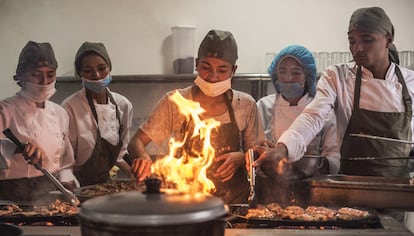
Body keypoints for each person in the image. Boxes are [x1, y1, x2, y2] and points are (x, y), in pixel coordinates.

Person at [251, 7, 414, 230]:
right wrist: (283, 149)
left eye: (367, 40)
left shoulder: (410, 83)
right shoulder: (337, 76)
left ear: (389, 38)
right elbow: (313, 116)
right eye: (352, 41)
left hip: (395, 197)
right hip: (350, 195)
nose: (357, 48)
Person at [128, 29, 265, 204]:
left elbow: (258, 156)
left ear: (234, 70)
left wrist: (240, 158)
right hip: (186, 202)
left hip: (232, 205)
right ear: (196, 63)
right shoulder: (175, 101)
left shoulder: (245, 104)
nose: (213, 77)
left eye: (222, 70)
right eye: (206, 67)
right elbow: (136, 142)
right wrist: (142, 157)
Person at [255, 45, 340, 204]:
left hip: (312, 196)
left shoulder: (322, 111)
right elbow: (253, 150)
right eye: (282, 72)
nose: (288, 78)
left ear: (307, 76)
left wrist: (313, 164)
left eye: (295, 73)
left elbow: (334, 159)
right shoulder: (263, 106)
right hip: (268, 194)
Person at [0, 41, 78, 201]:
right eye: (36, 74)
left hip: (48, 194)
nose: (44, 81)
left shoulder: (60, 113)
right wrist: (14, 147)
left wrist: (65, 182)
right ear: (21, 76)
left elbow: (65, 162)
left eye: (50, 74)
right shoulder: (5, 110)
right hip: (10, 196)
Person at [61, 42, 133, 187]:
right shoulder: (70, 108)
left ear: (109, 68)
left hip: (105, 186)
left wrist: (135, 174)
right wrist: (69, 187)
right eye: (88, 70)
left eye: (102, 68)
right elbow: (65, 163)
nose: (97, 75)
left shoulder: (123, 105)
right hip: (76, 186)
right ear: (79, 73)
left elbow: (120, 155)